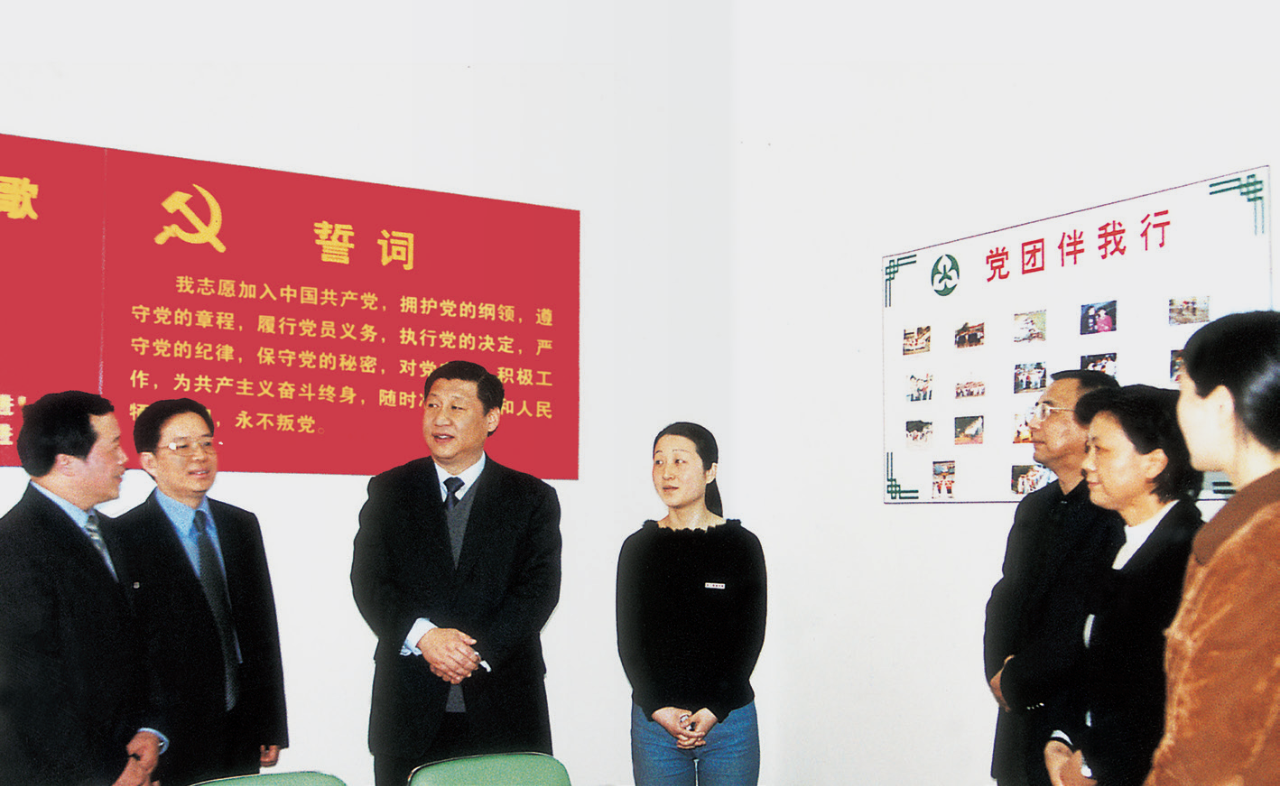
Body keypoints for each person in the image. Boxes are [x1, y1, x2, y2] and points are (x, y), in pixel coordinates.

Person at [351, 360, 562, 786]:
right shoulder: (390, 490)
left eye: (457, 407)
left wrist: (472, 653)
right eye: (432, 405)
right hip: (409, 710)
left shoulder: (531, 497)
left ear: (491, 418)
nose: (441, 418)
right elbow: (369, 580)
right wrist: (425, 637)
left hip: (503, 707)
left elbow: (538, 590)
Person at [106, 398, 288, 786]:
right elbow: (123, 654)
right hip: (170, 733)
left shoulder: (240, 525)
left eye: (206, 443)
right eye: (182, 445)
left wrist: (271, 721)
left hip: (241, 723)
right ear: (149, 461)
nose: (200, 456)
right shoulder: (123, 537)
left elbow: (260, 629)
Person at [1143, 311, 1280, 785]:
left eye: (1184, 392)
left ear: (1221, 404)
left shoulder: (1258, 547)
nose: (1177, 411)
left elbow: (1205, 756)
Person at [1041, 386, 1203, 786]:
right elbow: (1088, 661)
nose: (1087, 464)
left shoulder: (1190, 559)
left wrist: (1093, 763)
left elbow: (1164, 701)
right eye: (1088, 449)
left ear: (1154, 463)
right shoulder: (1117, 544)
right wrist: (1062, 737)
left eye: (1101, 450)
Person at [0, 391, 163, 786]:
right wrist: (108, 770)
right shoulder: (14, 546)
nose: (125, 459)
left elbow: (139, 645)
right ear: (66, 463)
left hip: (125, 753)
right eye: (113, 446)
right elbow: (30, 692)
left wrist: (149, 727)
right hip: (66, 773)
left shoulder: (112, 533)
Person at [985, 370, 1124, 786]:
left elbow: (1081, 621)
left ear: (1091, 426)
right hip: (1017, 716)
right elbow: (1006, 598)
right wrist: (1000, 675)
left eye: (1049, 410)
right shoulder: (1035, 506)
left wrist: (1019, 679)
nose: (1034, 422)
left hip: (1075, 720)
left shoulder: (1114, 513)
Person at [617, 422, 767, 785]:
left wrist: (715, 709)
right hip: (656, 725)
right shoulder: (638, 547)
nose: (666, 472)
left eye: (679, 461)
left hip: (729, 722)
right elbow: (629, 641)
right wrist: (658, 708)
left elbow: (749, 638)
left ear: (710, 471)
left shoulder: (741, 545)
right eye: (658, 461)